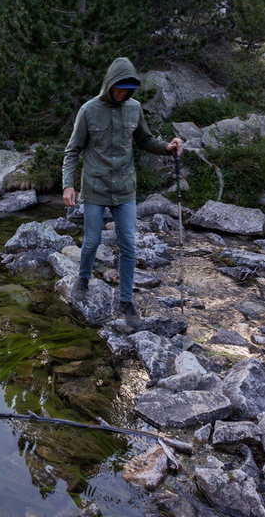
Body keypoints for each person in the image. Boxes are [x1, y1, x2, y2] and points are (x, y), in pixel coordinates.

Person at [62, 57, 183, 329]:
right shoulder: (89, 110)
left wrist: (167, 147)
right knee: (92, 241)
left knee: (128, 243)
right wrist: (67, 184)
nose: (122, 93)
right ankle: (83, 278)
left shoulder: (134, 108)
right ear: (109, 84)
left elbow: (145, 140)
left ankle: (126, 300)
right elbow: (73, 150)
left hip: (125, 188)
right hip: (95, 186)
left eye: (127, 89)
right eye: (118, 87)